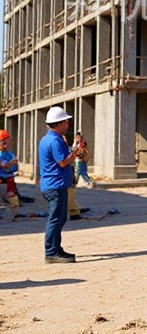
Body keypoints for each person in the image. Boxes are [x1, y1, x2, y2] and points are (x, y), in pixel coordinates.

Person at [39, 106, 79, 263]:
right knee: (55, 219)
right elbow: (62, 162)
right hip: (55, 186)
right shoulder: (55, 141)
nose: (68, 124)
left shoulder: (46, 139)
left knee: (60, 218)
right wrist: (74, 153)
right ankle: (51, 252)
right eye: (66, 122)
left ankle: (56, 248)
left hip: (54, 185)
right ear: (59, 123)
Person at [0, 129, 20, 219]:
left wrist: (9, 165)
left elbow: (14, 166)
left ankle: (14, 213)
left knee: (12, 196)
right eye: (2, 141)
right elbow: (4, 166)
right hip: (1, 179)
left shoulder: (10, 154)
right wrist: (10, 164)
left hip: (9, 179)